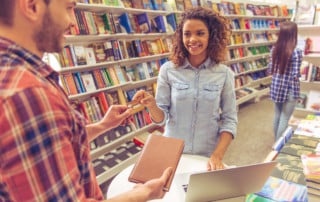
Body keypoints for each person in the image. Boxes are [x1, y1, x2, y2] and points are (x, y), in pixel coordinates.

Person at [0, 0, 172, 201]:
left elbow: (52, 144)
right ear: (32, 6)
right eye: (68, 8)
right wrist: (144, 193)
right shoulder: (29, 95)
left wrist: (102, 126)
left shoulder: (15, 75)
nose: (73, 22)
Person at [132, 7, 238, 171]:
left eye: (200, 33)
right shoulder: (168, 70)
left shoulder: (224, 74)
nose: (192, 39)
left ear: (212, 36)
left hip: (207, 155)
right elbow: (161, 119)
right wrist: (152, 104)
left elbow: (230, 120)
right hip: (172, 152)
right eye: (187, 34)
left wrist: (217, 155)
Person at [268, 21, 303, 141]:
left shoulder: (274, 49)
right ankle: (279, 145)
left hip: (276, 87)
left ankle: (275, 142)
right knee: (285, 117)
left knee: (277, 115)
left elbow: (270, 69)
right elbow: (295, 74)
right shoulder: (296, 51)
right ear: (294, 34)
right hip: (290, 89)